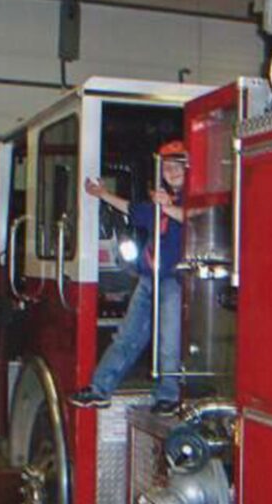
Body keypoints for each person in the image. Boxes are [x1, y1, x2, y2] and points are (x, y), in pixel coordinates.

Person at [69, 140, 188, 415]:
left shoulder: (196, 199)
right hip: (149, 280)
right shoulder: (159, 202)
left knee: (170, 343)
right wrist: (102, 194)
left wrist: (166, 206)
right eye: (167, 167)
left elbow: (193, 217)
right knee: (126, 337)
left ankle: (169, 397)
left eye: (177, 166)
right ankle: (99, 389)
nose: (171, 171)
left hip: (174, 281)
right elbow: (131, 209)